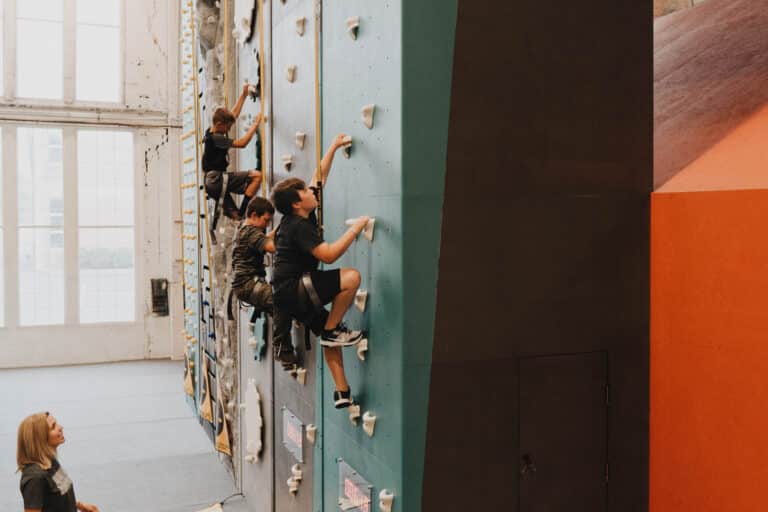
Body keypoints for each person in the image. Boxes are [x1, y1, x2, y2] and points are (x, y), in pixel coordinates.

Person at [271, 133, 369, 409]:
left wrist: (334, 146)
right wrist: (356, 228)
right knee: (351, 278)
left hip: (289, 294)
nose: (310, 192)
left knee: (328, 336)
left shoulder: (301, 213)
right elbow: (328, 254)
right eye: (304, 192)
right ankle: (332, 329)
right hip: (295, 288)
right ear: (296, 203)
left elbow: (318, 178)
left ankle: (342, 392)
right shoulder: (297, 226)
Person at [230, 197, 296, 369]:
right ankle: (281, 349)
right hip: (249, 284)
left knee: (278, 311)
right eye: (265, 220)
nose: (267, 224)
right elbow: (273, 248)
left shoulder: (245, 228)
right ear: (253, 215)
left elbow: (264, 238)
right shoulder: (251, 232)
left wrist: (279, 228)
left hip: (245, 284)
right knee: (281, 302)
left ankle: (287, 355)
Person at [202, 83, 263, 222]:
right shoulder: (217, 138)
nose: (228, 130)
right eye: (228, 127)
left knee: (236, 218)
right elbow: (242, 144)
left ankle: (237, 216)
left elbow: (233, 115)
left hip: (210, 183)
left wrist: (243, 95)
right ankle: (242, 212)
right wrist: (255, 124)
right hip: (217, 180)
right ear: (219, 125)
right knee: (257, 176)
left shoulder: (211, 131)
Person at [17, 412, 99, 512]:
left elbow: (54, 499)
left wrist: (79, 505)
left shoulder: (50, 462)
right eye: (53, 427)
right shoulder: (35, 477)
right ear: (40, 438)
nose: (60, 427)